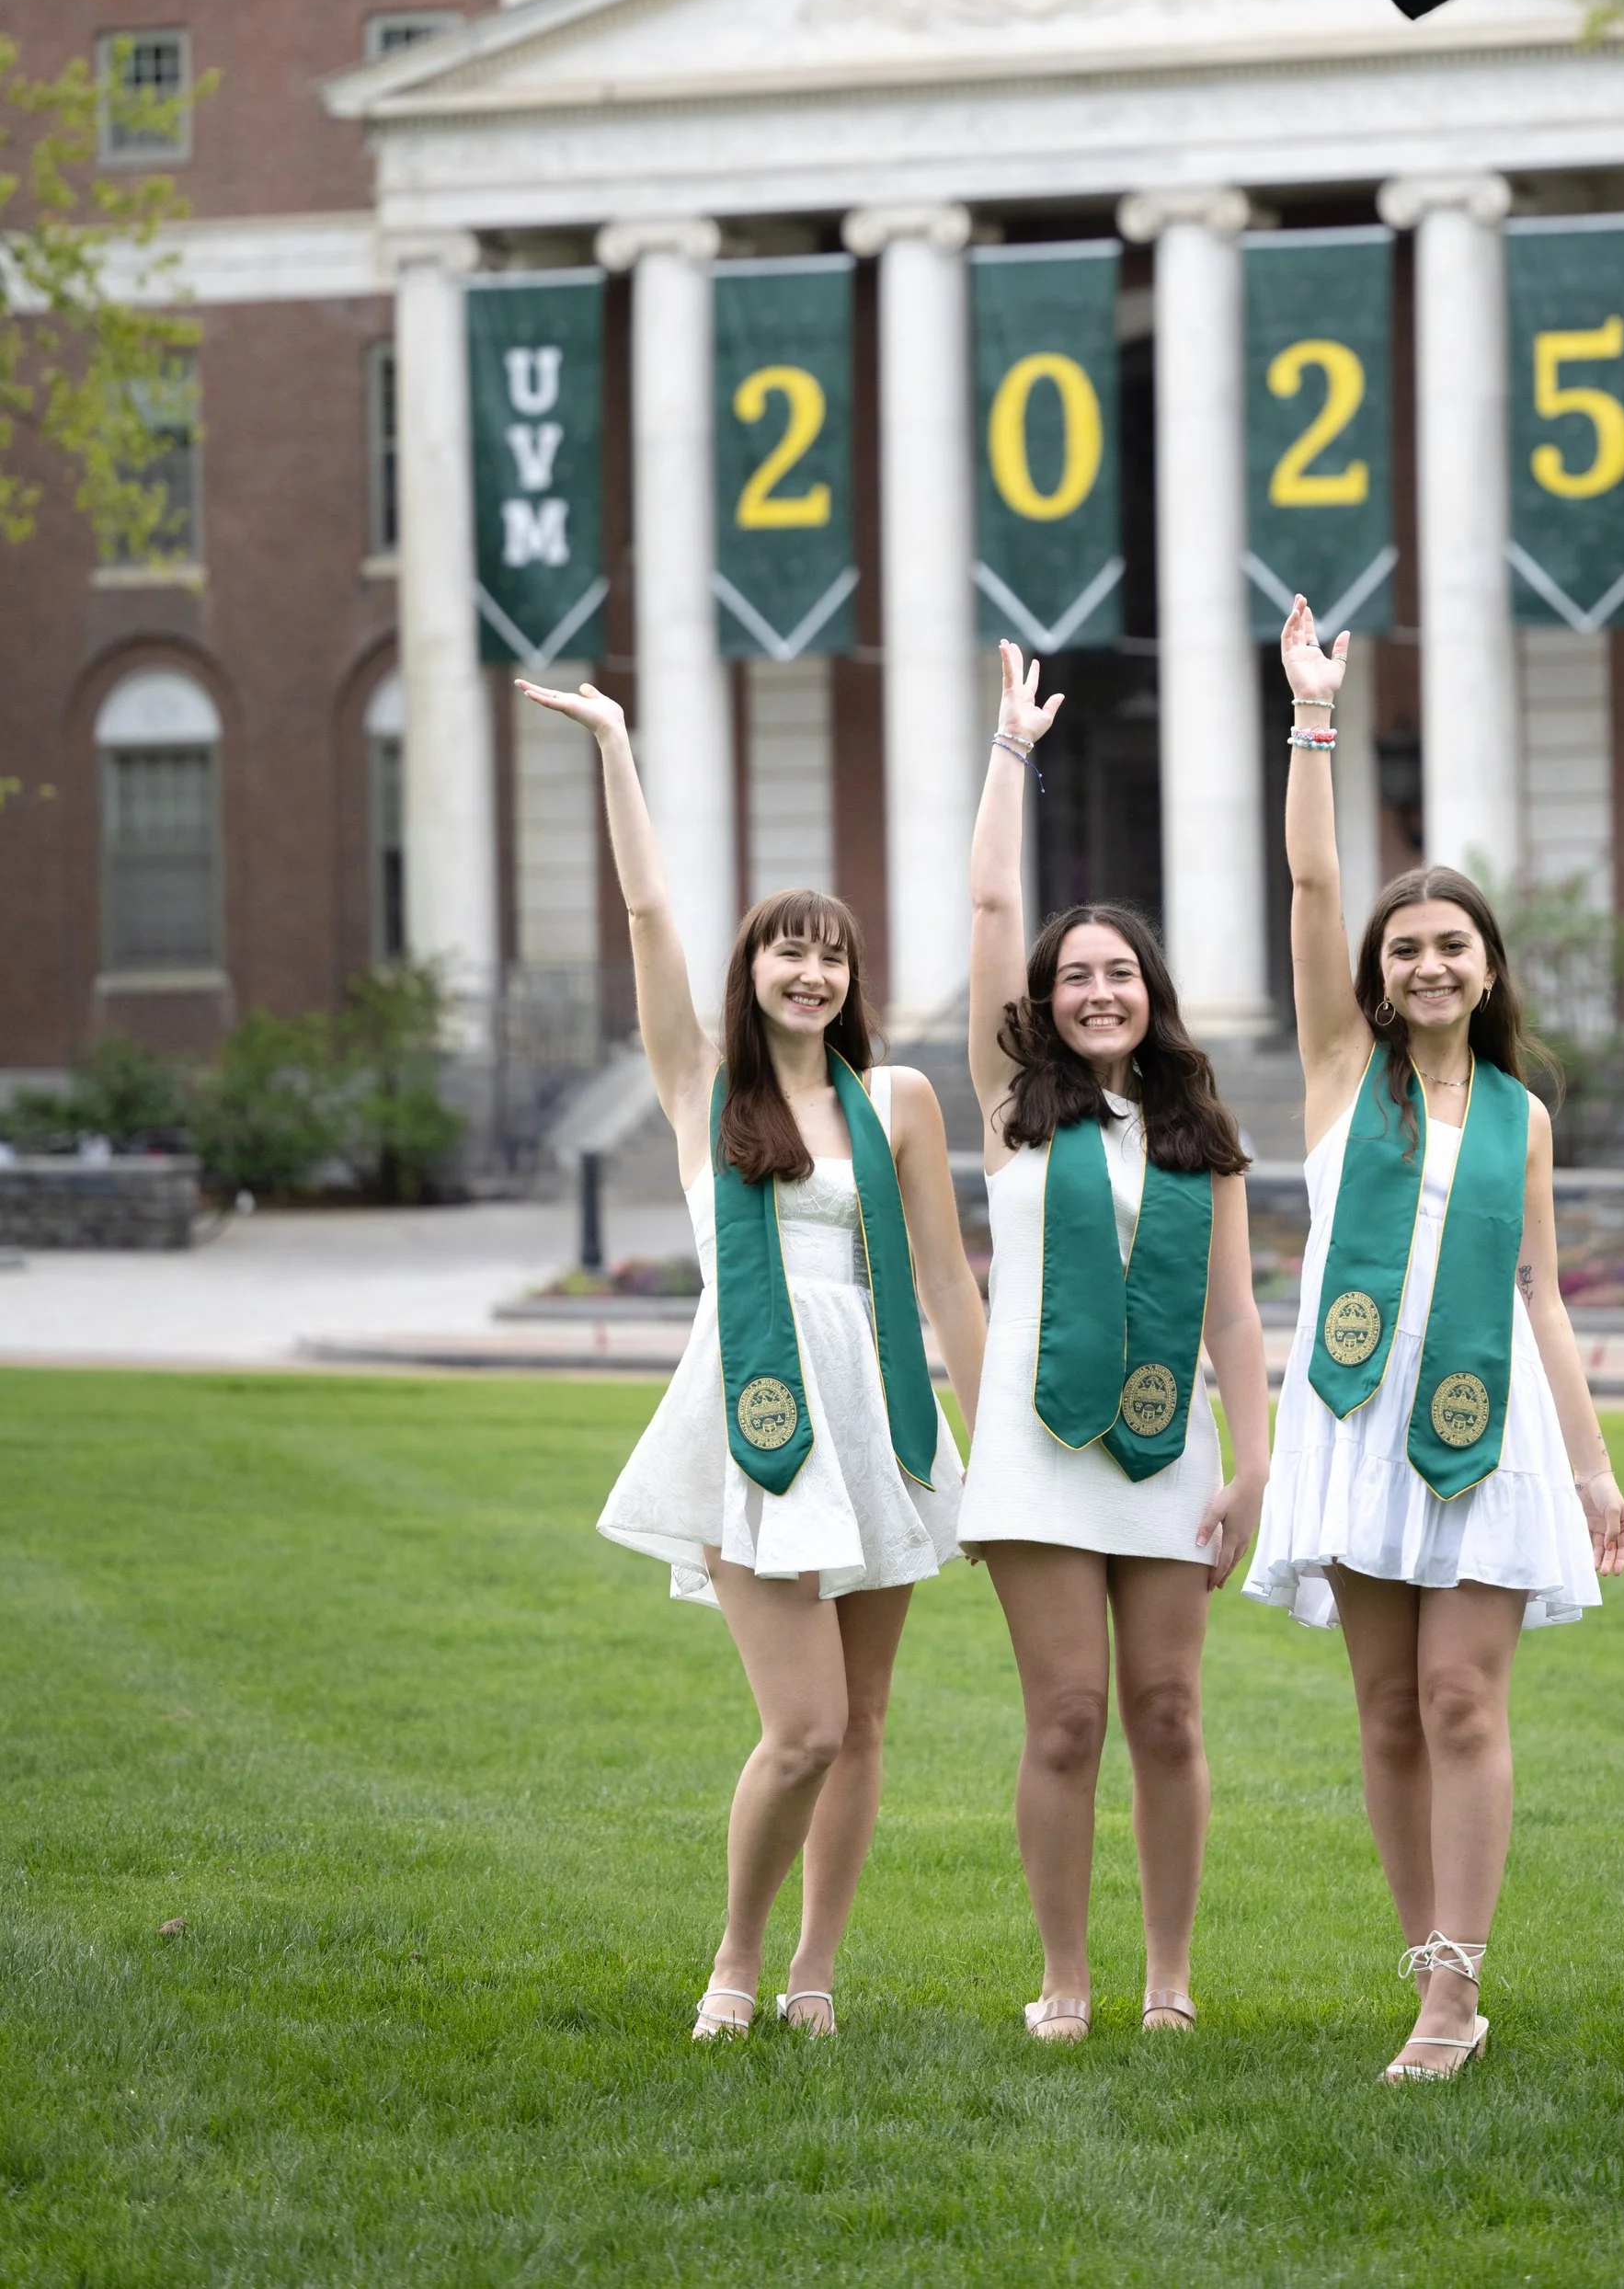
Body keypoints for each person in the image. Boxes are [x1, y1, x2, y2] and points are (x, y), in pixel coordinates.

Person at [518, 676, 985, 2045]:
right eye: (789, 951)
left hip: (877, 1421)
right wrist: (618, 745)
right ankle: (736, 1955)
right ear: (753, 967)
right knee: (806, 1727)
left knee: (867, 1720)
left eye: (832, 956)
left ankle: (815, 1973)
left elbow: (946, 1278)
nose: (812, 973)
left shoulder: (896, 1100)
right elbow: (648, 915)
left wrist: (997, 1439)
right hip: (754, 1419)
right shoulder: (701, 1089)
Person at [1244, 600, 1624, 2082]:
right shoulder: (1342, 1073)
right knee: (1387, 1710)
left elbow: (1543, 1294)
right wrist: (1313, 718)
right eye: (1405, 947)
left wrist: (1593, 1469)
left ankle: (1458, 1987)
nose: (1426, 963)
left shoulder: (1523, 1118)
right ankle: (1428, 1971)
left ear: (1487, 966)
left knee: (1462, 1696)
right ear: (1379, 971)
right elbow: (1309, 877)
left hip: (1484, 1415)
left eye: (1450, 945)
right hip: (1357, 1412)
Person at [959, 643, 1268, 2043]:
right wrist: (1011, 753)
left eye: (1120, 973)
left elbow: (1236, 1315)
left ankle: (1169, 1981)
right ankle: (1066, 1981)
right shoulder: (1011, 1103)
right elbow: (987, 903)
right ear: (1045, 997)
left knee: (1168, 1713)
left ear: (1153, 991)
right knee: (1068, 1718)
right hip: (1036, 1449)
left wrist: (1251, 1464)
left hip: (1166, 1448)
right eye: (1074, 975)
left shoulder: (1201, 1131)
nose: (1098, 991)